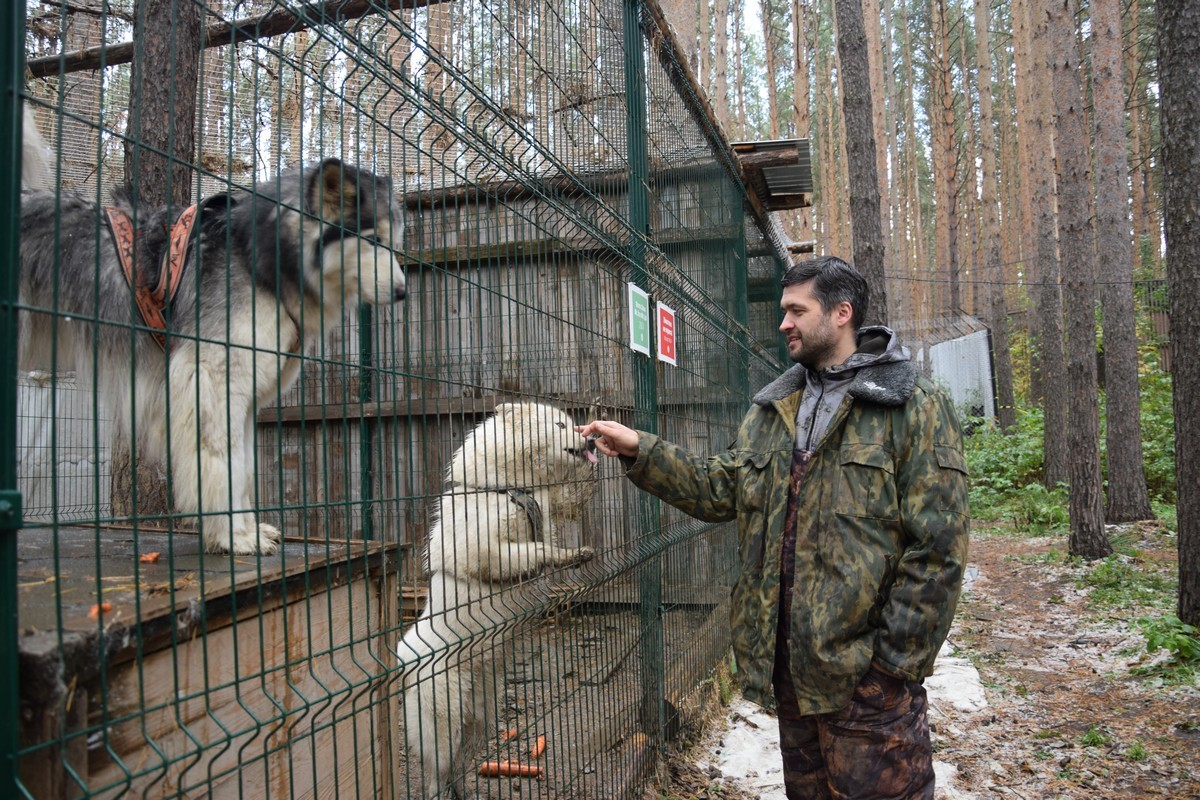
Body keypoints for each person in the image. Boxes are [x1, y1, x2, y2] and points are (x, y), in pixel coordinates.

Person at [577, 256, 969, 799]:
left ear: (840, 313)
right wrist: (640, 448)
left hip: (866, 683)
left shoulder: (913, 405)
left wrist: (891, 668)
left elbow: (939, 547)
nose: (782, 323)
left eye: (795, 310)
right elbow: (720, 488)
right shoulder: (773, 407)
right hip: (792, 677)